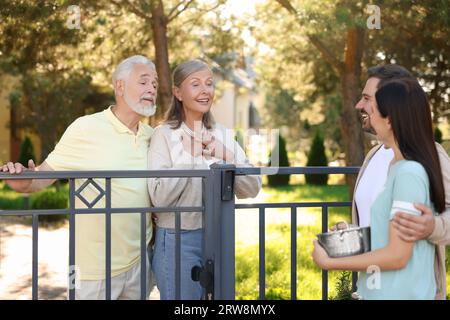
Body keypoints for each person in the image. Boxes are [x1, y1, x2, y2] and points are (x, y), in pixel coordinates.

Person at [1, 55, 158, 300]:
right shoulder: (85, 128)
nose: (152, 89)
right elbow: (40, 179)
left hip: (140, 264)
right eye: (144, 82)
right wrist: (19, 178)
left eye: (155, 84)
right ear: (120, 86)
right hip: (94, 271)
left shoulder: (153, 136)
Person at [313, 78, 446, 299]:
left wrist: (329, 262)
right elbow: (391, 238)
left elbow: (398, 256)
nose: (369, 118)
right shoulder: (398, 166)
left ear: (391, 120)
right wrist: (352, 238)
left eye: (374, 111)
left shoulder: (409, 173)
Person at [147, 59, 262, 299]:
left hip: (218, 238)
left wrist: (227, 156)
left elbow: (252, 188)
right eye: (196, 84)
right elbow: (158, 196)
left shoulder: (222, 134)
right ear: (178, 92)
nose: (205, 91)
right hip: (177, 240)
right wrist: (188, 159)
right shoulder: (163, 135)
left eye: (209, 84)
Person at [352, 64, 450, 299]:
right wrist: (350, 236)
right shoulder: (373, 156)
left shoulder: (431, 155)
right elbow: (376, 224)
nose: (359, 105)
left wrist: (432, 226)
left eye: (367, 98)